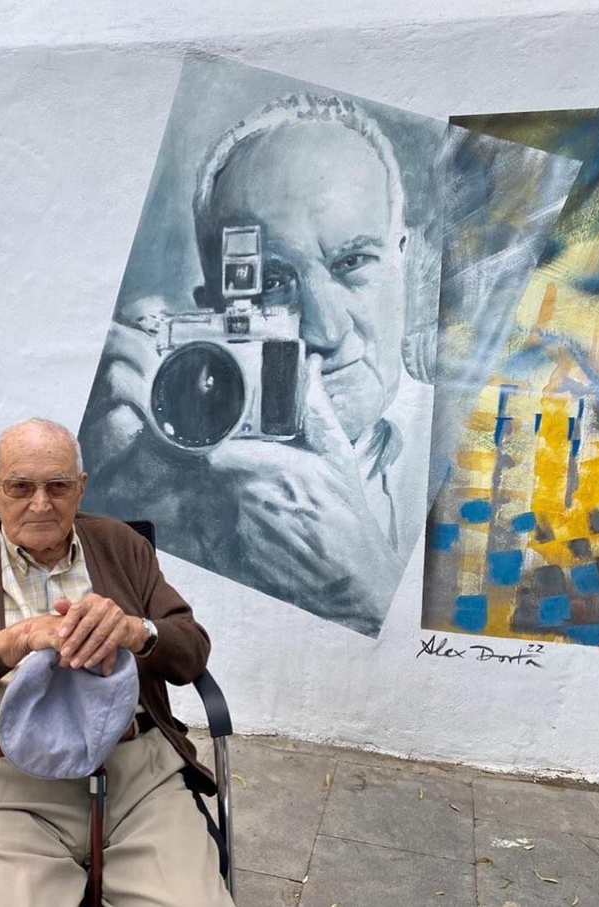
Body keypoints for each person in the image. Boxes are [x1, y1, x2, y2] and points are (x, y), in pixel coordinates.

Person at [79, 94, 434, 637]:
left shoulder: (485, 449)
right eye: (271, 284)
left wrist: (372, 587)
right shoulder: (163, 485)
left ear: (401, 261)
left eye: (352, 262)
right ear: (212, 317)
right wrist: (104, 507)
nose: (326, 329)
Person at [0, 417, 233, 907]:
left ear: (81, 488)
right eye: (20, 486)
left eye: (58, 486)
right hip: (2, 792)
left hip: (135, 778)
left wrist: (135, 631)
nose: (40, 503)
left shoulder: (121, 545)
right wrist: (12, 642)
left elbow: (192, 648)